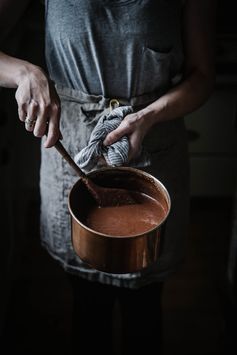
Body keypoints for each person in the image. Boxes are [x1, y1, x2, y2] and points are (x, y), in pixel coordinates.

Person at [0, 0, 216, 354]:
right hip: (70, 143)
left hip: (154, 143)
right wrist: (25, 73)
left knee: (145, 306)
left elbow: (203, 75)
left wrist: (148, 116)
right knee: (87, 304)